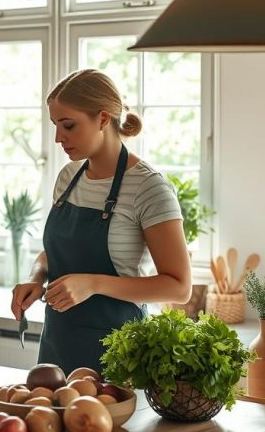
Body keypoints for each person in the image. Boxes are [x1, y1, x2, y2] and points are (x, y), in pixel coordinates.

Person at [11, 69, 192, 375]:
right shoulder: (69, 177)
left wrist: (93, 284)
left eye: (68, 125)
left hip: (118, 355)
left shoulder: (149, 188)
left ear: (104, 119)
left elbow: (178, 287)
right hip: (57, 345)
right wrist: (36, 276)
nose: (58, 138)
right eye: (55, 125)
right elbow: (56, 253)